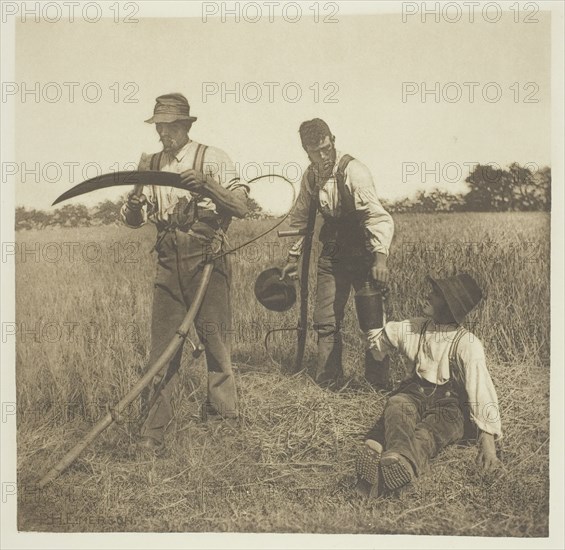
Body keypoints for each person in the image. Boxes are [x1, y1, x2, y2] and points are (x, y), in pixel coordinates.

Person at [121, 93, 249, 453]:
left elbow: (241, 205)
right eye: (159, 125)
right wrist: (133, 207)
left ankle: (223, 422)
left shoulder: (211, 158)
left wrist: (206, 185)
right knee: (162, 350)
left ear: (185, 125)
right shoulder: (150, 163)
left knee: (216, 343)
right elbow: (134, 221)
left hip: (206, 257)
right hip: (167, 258)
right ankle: (153, 431)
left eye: (169, 125)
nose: (163, 132)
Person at [355, 273, 502, 498]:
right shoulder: (416, 328)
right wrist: (373, 309)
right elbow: (377, 345)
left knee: (427, 433)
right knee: (397, 405)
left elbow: (480, 389)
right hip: (415, 393)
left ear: (450, 306)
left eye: (435, 294)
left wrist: (488, 440)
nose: (427, 296)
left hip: (450, 407)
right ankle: (397, 464)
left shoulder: (468, 344)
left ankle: (384, 461)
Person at [281, 118, 394, 389]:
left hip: (362, 250)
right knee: (326, 321)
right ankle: (329, 382)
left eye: (326, 147)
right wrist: (292, 258)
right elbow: (301, 221)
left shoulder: (354, 171)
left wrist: (380, 258)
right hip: (331, 252)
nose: (323, 155)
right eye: (315, 151)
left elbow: (378, 218)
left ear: (332, 139)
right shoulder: (310, 177)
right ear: (305, 150)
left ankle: (377, 384)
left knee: (372, 319)